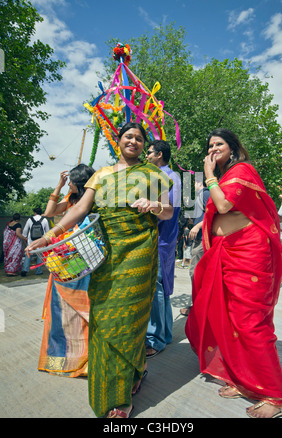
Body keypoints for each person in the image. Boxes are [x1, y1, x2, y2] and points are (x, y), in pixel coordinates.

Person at [26, 122, 174, 418]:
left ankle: (121, 399)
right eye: (128, 136)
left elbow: (169, 212)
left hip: (140, 252)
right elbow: (79, 210)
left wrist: (154, 205)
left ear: (145, 145)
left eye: (139, 138)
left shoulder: (153, 175)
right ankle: (134, 373)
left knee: (131, 320)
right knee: (106, 320)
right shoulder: (102, 174)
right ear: (118, 141)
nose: (133, 141)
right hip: (107, 255)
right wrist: (48, 235)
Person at [185, 129, 282, 419]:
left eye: (219, 144)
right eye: (209, 145)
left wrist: (209, 175)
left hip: (249, 255)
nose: (213, 148)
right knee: (230, 320)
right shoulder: (227, 177)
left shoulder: (242, 171)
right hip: (227, 254)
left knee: (250, 324)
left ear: (232, 149)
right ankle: (247, 381)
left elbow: (223, 206)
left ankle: (278, 395)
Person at [38, 164, 95, 377]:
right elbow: (49, 212)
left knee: (83, 307)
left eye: (70, 180)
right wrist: (60, 186)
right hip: (64, 257)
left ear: (79, 182)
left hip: (83, 257)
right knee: (62, 307)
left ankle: (86, 357)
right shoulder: (71, 199)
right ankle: (63, 357)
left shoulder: (91, 201)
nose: (68, 182)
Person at [144, 140, 181, 358]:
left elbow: (168, 211)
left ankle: (155, 339)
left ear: (159, 155)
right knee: (161, 287)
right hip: (163, 239)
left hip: (160, 239)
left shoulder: (166, 178)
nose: (146, 156)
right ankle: (164, 334)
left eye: (148, 153)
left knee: (156, 287)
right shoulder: (167, 177)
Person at [180, 177, 210, 316]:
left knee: (196, 273)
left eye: (194, 183)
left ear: (199, 182)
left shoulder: (205, 194)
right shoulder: (201, 196)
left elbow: (212, 214)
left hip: (203, 240)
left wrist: (197, 226)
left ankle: (197, 307)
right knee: (198, 274)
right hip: (199, 239)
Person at [21, 208, 49, 276]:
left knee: (28, 254)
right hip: (41, 241)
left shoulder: (30, 219)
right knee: (40, 256)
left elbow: (25, 230)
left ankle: (25, 269)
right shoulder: (44, 220)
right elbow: (47, 231)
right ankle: (38, 271)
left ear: (35, 212)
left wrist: (25, 237)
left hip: (31, 240)